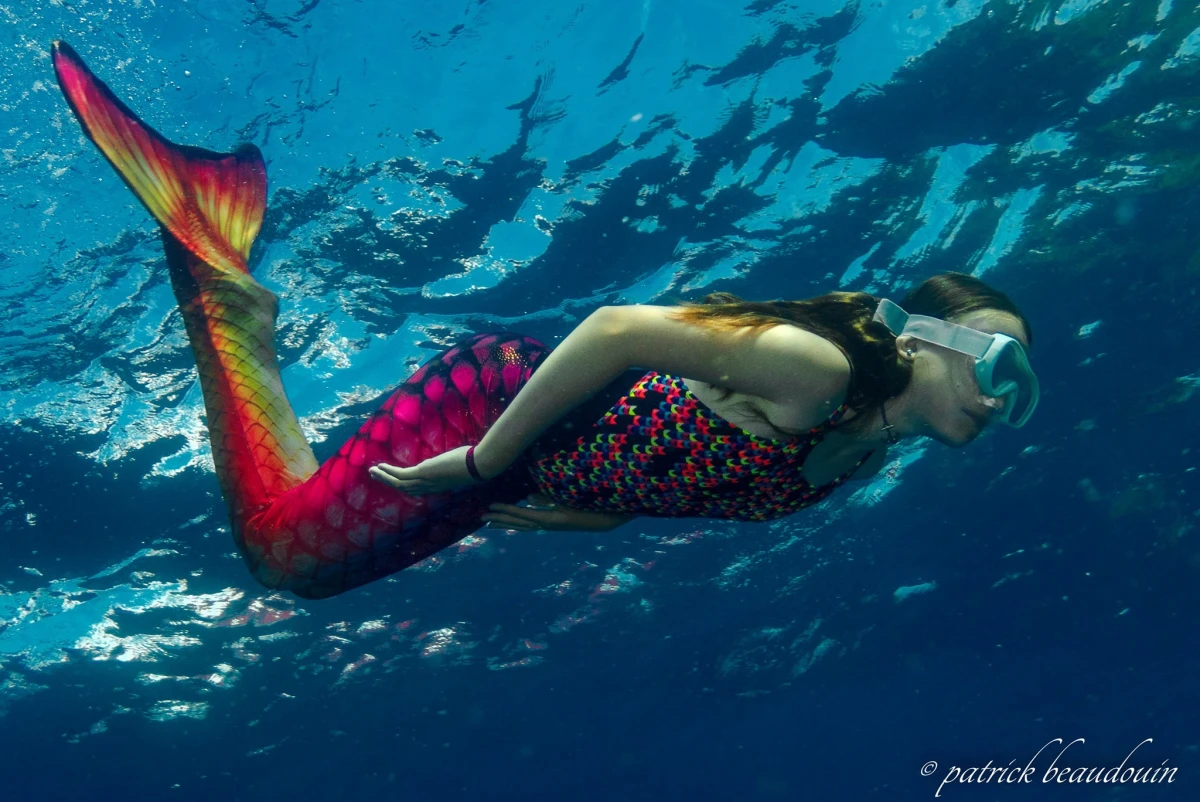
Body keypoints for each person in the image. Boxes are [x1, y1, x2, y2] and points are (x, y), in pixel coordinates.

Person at [51, 41, 1037, 601]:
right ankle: (219, 288)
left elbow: (683, 457)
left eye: (1019, 388)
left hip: (522, 459)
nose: (1003, 399)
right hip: (492, 410)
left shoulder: (861, 452)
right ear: (924, 340)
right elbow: (616, 330)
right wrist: (486, 463)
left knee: (295, 560)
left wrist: (590, 504)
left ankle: (227, 291)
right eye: (999, 364)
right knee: (284, 552)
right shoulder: (816, 369)